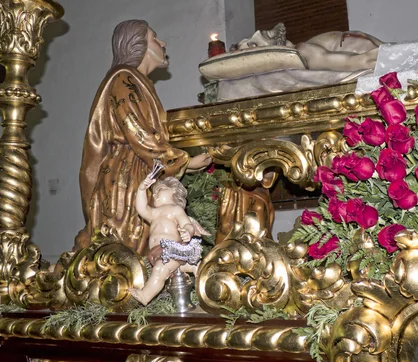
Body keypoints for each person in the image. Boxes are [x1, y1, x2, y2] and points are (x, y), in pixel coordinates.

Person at [74, 20, 211, 255]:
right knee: (125, 247)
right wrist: (184, 161)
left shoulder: (136, 80)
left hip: (142, 170)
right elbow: (139, 133)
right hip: (126, 177)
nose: (163, 43)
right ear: (139, 45)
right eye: (155, 38)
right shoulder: (123, 79)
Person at [128, 174, 209, 305]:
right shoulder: (154, 213)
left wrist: (187, 232)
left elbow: (187, 224)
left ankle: (145, 295)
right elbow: (141, 208)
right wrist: (142, 189)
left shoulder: (175, 209)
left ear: (173, 191)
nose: (154, 195)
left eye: (159, 190)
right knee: (166, 267)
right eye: (153, 194)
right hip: (156, 252)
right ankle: (193, 266)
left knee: (160, 270)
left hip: (172, 249)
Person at [233, 23, 383, 72]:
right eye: (252, 44)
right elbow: (352, 62)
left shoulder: (302, 47)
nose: (257, 33)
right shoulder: (303, 52)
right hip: (373, 52)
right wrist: (390, 56)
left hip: (371, 45)